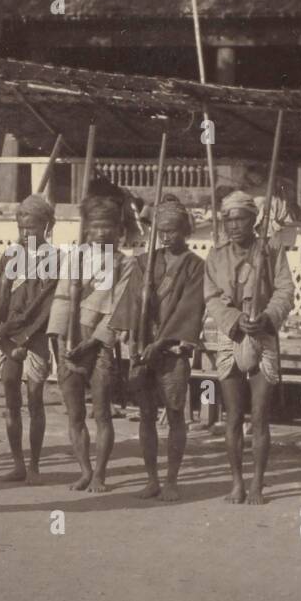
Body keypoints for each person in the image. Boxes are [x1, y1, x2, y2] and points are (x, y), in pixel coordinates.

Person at [203, 190, 295, 505]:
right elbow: (212, 296)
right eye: (228, 220)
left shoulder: (270, 251)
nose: (234, 226)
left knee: (259, 415)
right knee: (232, 416)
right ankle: (236, 483)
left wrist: (268, 317)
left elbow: (285, 289)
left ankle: (257, 483)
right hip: (230, 337)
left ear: (253, 220)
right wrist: (233, 319)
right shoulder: (216, 255)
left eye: (241, 218)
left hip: (263, 335)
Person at [47, 193, 136, 493]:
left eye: (107, 226)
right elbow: (61, 300)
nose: (101, 232)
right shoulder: (76, 257)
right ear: (87, 228)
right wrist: (59, 339)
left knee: (102, 412)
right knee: (74, 414)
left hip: (99, 347)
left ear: (117, 229)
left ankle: (100, 473)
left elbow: (119, 309)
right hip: (70, 342)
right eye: (95, 226)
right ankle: (84, 469)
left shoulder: (125, 264)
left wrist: (93, 341)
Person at [129, 201, 205, 502]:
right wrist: (137, 339)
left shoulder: (195, 266)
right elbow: (132, 305)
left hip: (172, 349)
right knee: (146, 414)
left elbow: (190, 309)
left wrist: (160, 342)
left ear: (184, 231)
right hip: (144, 347)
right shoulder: (145, 262)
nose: (166, 237)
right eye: (161, 231)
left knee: (175, 413)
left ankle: (172, 479)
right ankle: (151, 479)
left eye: (172, 231)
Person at [0, 194, 59, 483]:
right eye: (21, 227)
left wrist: (14, 330)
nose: (26, 234)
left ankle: (35, 466)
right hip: (5, 337)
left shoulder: (54, 259)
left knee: (35, 400)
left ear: (46, 226)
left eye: (33, 228)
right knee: (11, 400)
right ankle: (17, 463)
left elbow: (43, 304)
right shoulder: (10, 255)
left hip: (33, 336)